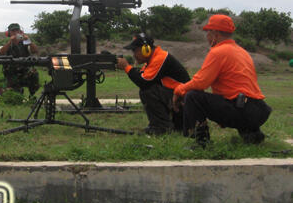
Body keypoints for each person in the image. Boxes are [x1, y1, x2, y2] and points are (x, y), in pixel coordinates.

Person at [173, 14, 272, 148]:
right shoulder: (242, 52)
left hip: (241, 109)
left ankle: (202, 142)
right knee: (235, 101)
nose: (207, 36)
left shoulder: (218, 52)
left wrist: (179, 90)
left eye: (208, 32)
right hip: (258, 110)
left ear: (215, 34)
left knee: (193, 97)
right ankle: (252, 134)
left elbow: (201, 82)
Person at [117, 32, 191, 135]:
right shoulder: (153, 60)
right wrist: (130, 69)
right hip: (180, 101)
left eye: (135, 50)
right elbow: (141, 75)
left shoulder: (160, 58)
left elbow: (144, 82)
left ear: (146, 49)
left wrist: (127, 67)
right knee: (148, 90)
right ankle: (160, 125)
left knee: (148, 91)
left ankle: (161, 127)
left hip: (183, 102)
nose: (134, 55)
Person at [0, 23, 40, 96]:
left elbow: (35, 51)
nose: (15, 32)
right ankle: (16, 89)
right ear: (9, 33)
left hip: (24, 72)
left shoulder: (25, 43)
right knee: (5, 96)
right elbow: (1, 52)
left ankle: (31, 94)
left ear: (21, 32)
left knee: (34, 73)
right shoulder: (5, 43)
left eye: (17, 30)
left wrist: (28, 41)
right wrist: (10, 42)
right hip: (11, 75)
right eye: (13, 31)